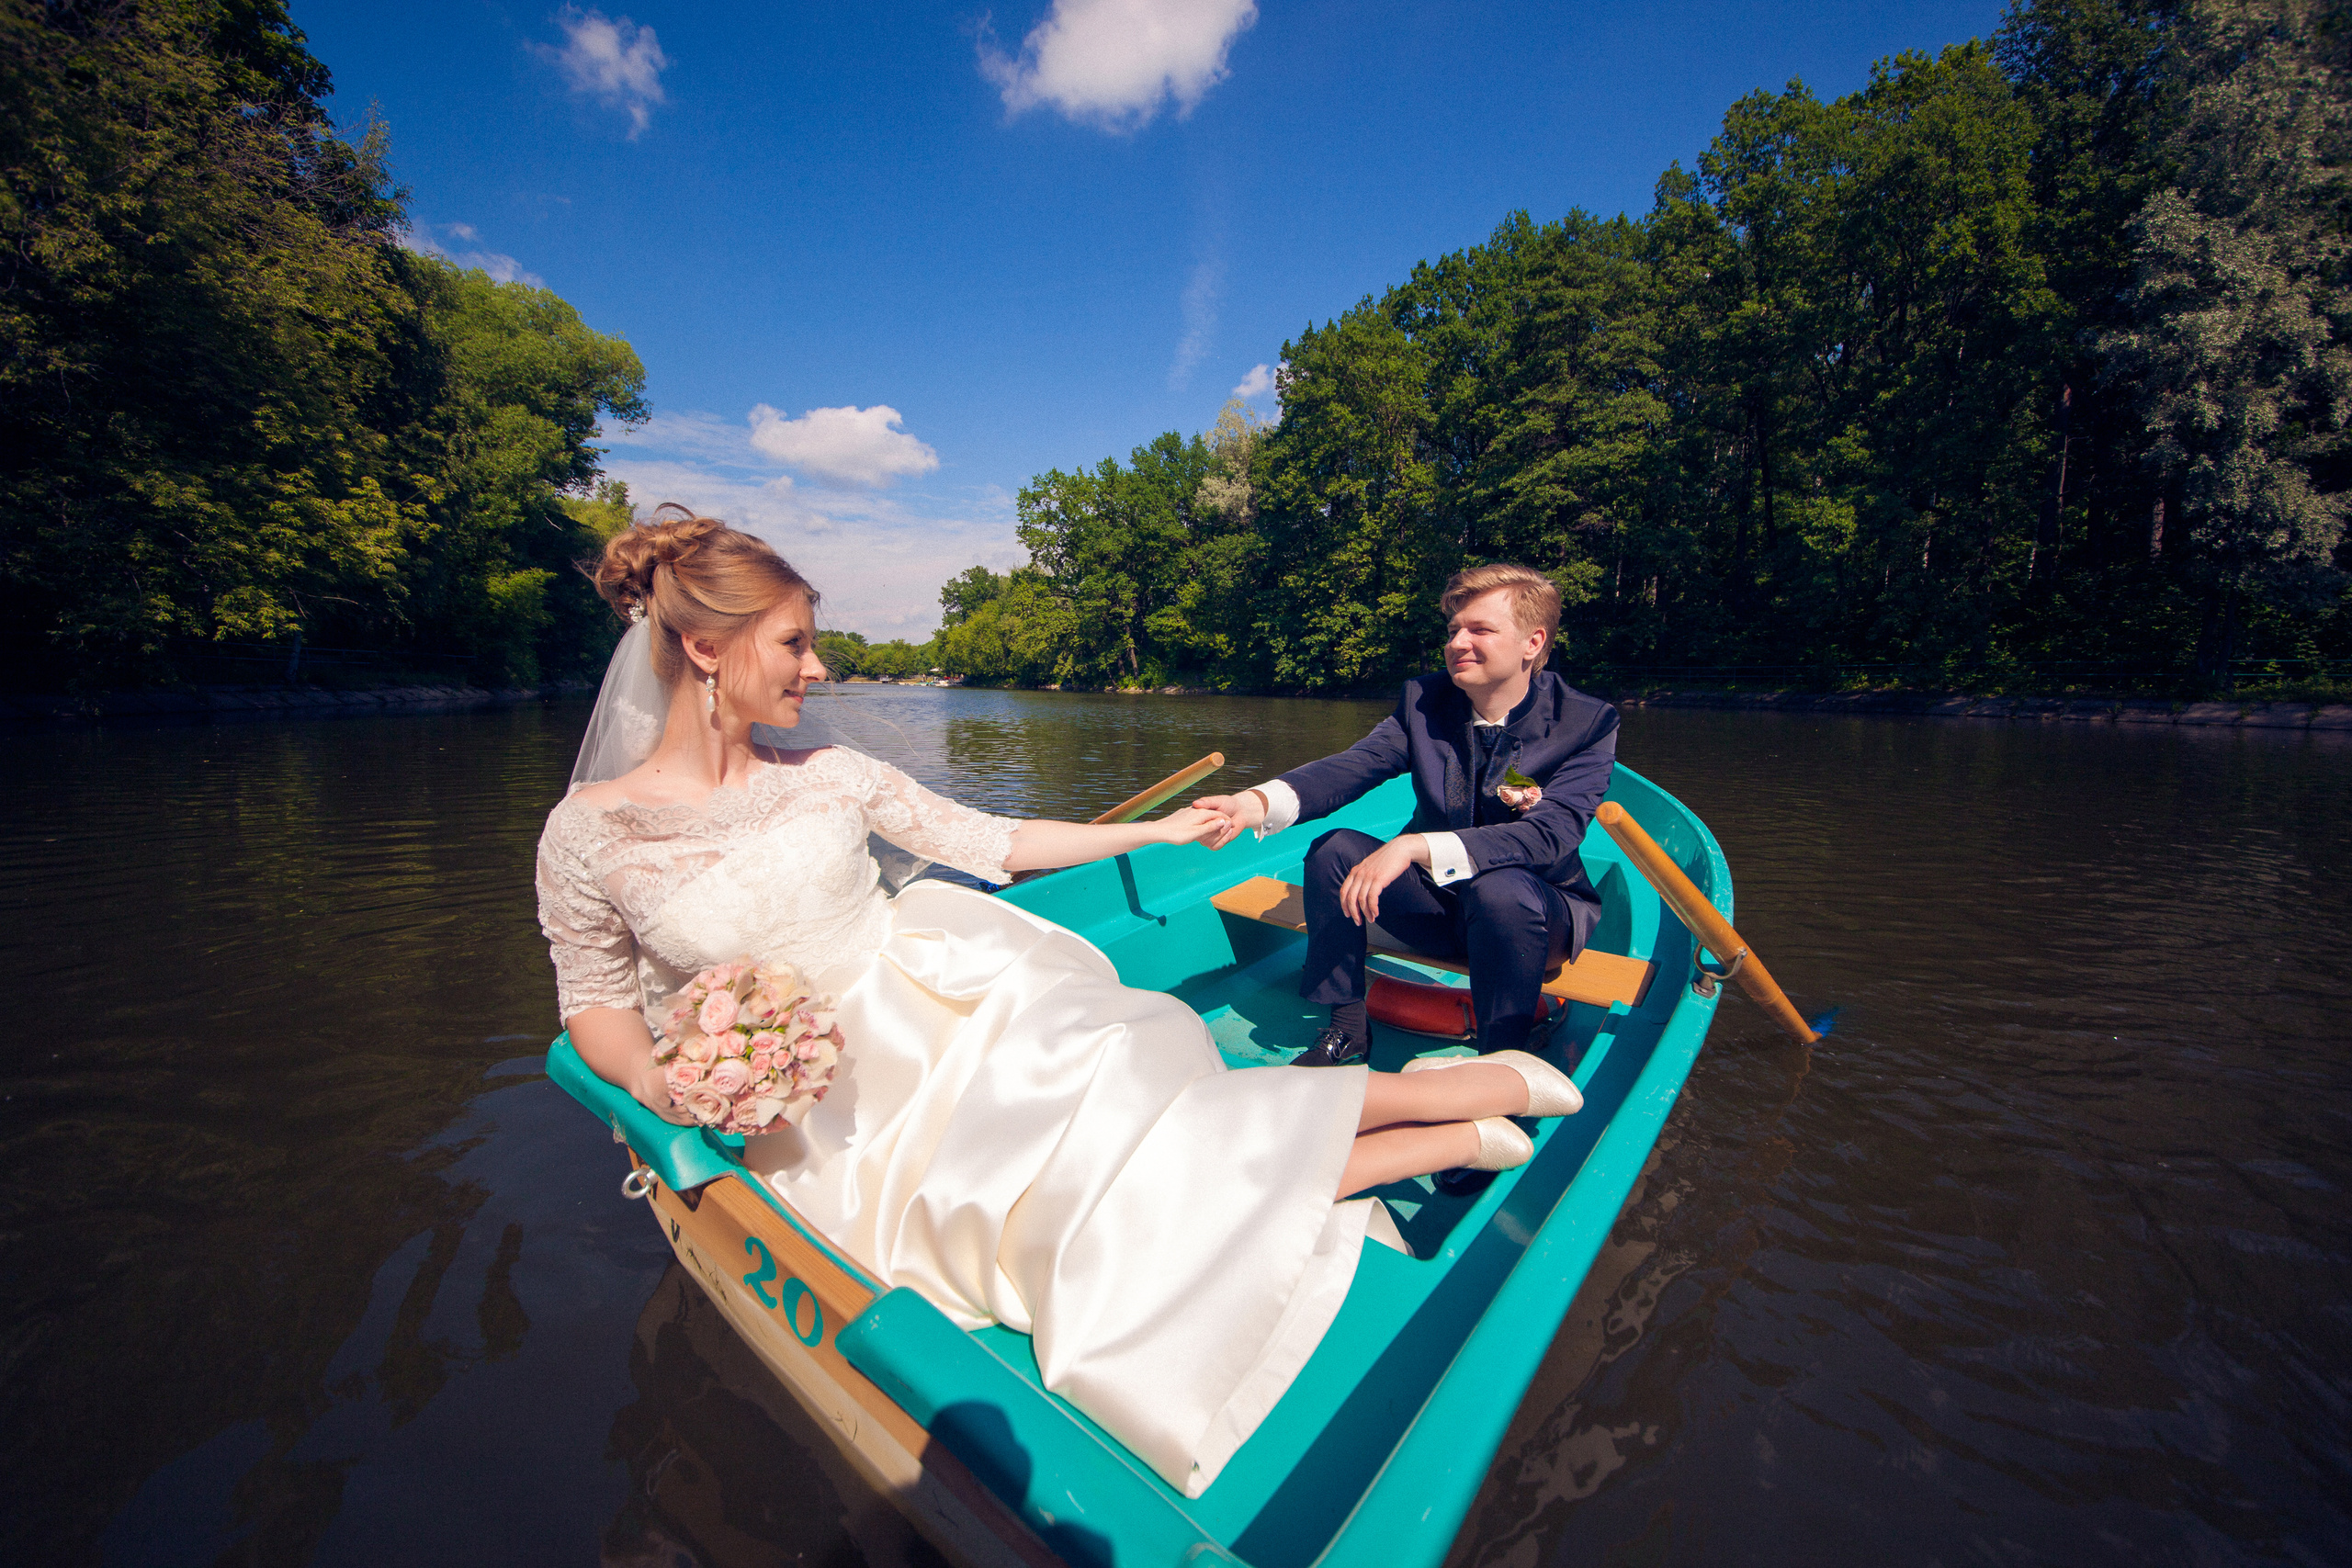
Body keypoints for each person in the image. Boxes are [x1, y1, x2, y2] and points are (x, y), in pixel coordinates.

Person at [536, 510, 1585, 1498]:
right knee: (1054, 1205)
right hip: (812, 1108)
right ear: (710, 651)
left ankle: (1443, 1099)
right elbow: (595, 1003)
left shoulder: (831, 773)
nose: (819, 668)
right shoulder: (587, 834)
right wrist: (661, 1077)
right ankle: (1430, 1119)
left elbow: (995, 844)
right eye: (795, 646)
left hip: (937, 1005)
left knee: (1114, 1104)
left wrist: (1154, 833)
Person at [1195, 563, 1618, 1082]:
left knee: (1501, 890)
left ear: (1533, 642)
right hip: (1440, 910)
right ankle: (1348, 1027)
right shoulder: (1425, 701)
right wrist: (1255, 802)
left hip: (1533, 916)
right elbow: (1354, 765)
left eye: (1480, 630)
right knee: (1334, 851)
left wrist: (1415, 845)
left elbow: (1550, 833)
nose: (1458, 642)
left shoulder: (1587, 722)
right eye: (1453, 630)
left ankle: (1502, 1068)